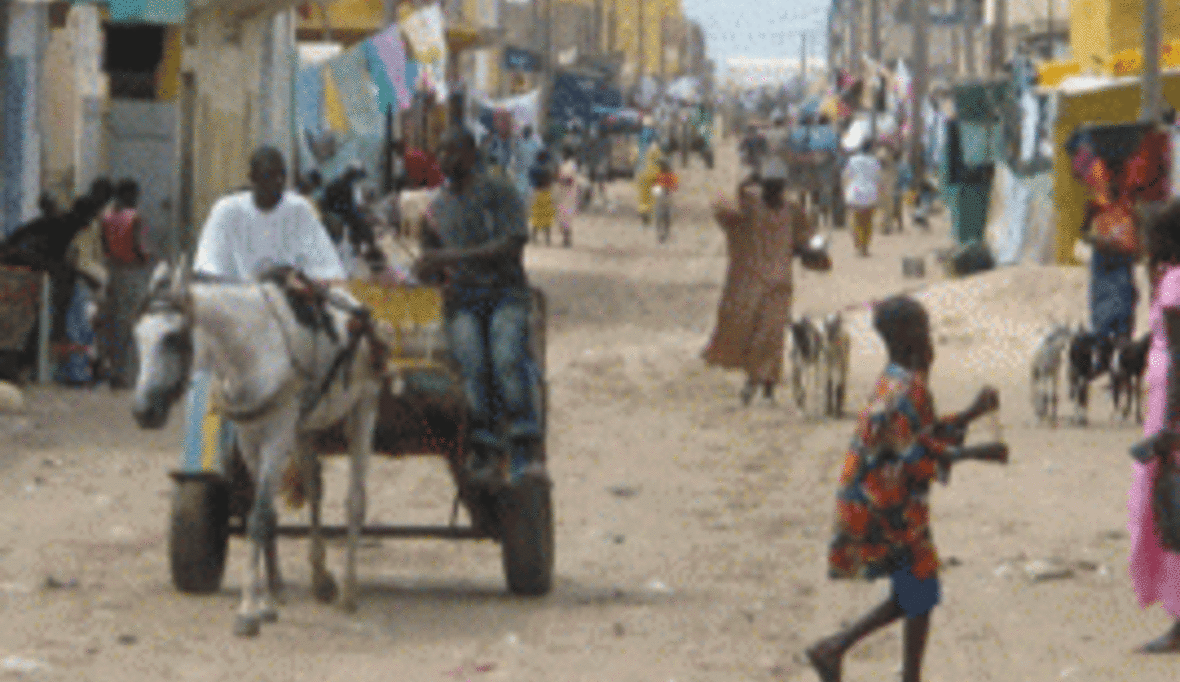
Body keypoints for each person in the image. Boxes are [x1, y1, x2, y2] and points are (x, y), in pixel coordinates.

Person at [806, 295, 1004, 682]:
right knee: (920, 587)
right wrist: (977, 452)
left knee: (916, 589)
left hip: (880, 497)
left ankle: (851, 654)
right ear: (908, 336)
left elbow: (918, 435)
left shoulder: (898, 377)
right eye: (924, 329)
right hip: (883, 503)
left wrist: (971, 414)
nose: (930, 338)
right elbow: (916, 455)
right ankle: (836, 649)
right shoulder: (907, 388)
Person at [183, 147, 349, 482]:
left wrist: (294, 281)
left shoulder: (299, 210)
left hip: (286, 317)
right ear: (251, 178)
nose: (273, 184)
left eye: (279, 178)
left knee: (323, 347)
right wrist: (257, 286)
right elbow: (207, 272)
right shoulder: (227, 212)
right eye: (265, 177)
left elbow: (326, 271)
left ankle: (309, 408)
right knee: (203, 372)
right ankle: (200, 461)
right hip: (237, 318)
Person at [415, 127, 545, 484]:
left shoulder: (500, 191)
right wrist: (425, 266)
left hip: (506, 294)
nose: (444, 160)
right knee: (472, 364)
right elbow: (429, 260)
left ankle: (525, 448)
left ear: (471, 155)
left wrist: (449, 256)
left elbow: (513, 245)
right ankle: (485, 448)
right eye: (439, 153)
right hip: (462, 301)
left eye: (451, 152)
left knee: (505, 357)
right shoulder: (436, 209)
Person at [703, 157, 832, 405]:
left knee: (771, 336)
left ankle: (767, 386)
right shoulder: (749, 206)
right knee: (750, 334)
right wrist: (742, 185)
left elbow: (807, 237)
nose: (773, 191)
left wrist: (813, 250)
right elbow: (721, 209)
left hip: (779, 285)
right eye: (768, 185)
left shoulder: (792, 210)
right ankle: (753, 381)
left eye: (777, 185)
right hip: (748, 284)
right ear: (762, 185)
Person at [1128, 200, 1180, 653]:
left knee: (1168, 513)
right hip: (1166, 407)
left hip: (1172, 415)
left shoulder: (1176, 284)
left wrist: (1168, 429)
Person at [99, 179, 156, 388]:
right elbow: (139, 248)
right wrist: (150, 260)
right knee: (134, 322)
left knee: (114, 323)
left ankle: (114, 370)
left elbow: (104, 247)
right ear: (129, 195)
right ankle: (129, 375)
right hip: (132, 273)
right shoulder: (135, 218)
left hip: (113, 272)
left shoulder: (105, 217)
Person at [843, 140, 884, 257]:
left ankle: (857, 243)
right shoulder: (874, 162)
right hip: (870, 194)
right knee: (868, 222)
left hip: (855, 193)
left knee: (855, 220)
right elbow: (878, 178)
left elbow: (847, 175)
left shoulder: (852, 160)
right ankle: (864, 247)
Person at [528, 148, 557, 245]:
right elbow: (552, 179)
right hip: (546, 193)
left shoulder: (534, 167)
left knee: (536, 217)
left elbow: (531, 181)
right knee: (547, 218)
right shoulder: (548, 167)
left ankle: (534, 237)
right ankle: (547, 239)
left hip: (537, 193)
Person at [554, 147, 579, 248]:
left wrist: (560, 180)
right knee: (561, 217)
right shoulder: (562, 164)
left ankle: (567, 239)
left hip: (569, 195)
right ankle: (565, 238)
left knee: (566, 218)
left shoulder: (571, 165)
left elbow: (570, 180)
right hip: (561, 194)